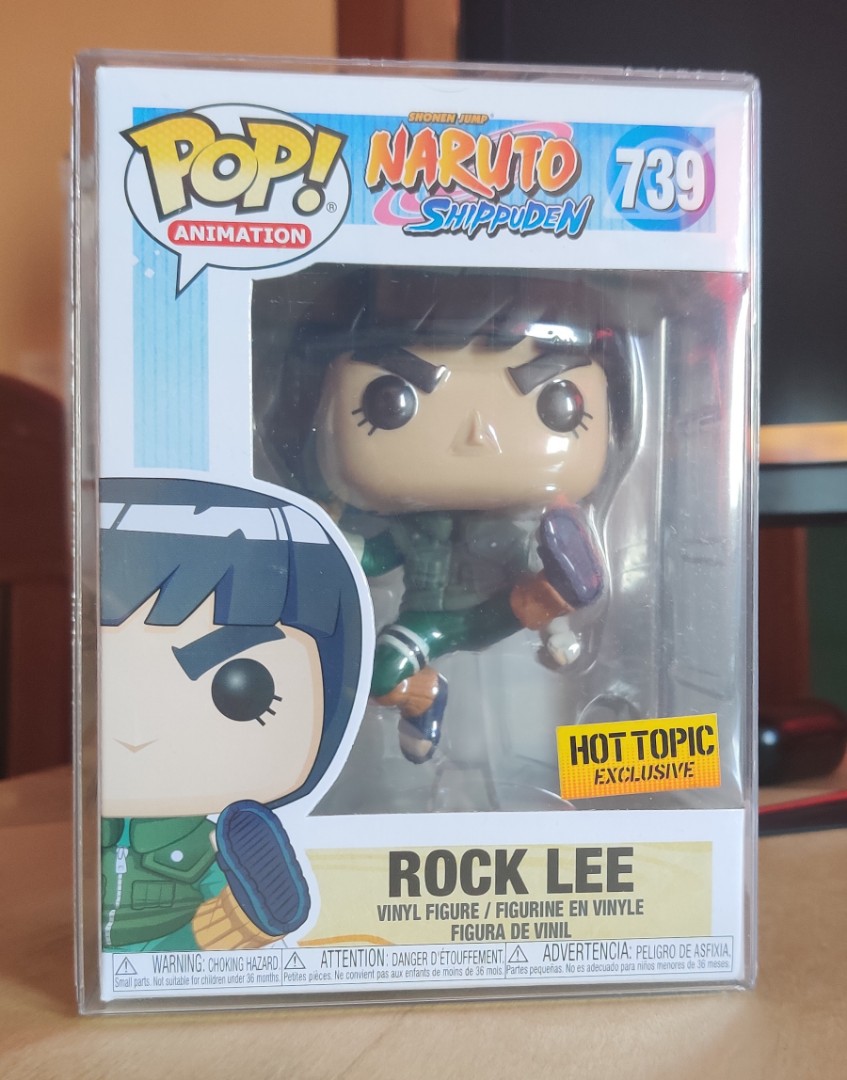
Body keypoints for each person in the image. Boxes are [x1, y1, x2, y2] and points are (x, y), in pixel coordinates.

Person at [263, 268, 636, 764]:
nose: (478, 434)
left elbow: (552, 572)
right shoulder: (413, 525)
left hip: (501, 611)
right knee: (377, 677)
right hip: (429, 622)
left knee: (543, 591)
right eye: (390, 402)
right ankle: (424, 697)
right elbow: (374, 556)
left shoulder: (516, 528)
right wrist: (330, 542)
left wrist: (559, 633)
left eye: (558, 403)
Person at [99, 477, 365, 951]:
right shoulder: (73, 826)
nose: (139, 735)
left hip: (177, 949)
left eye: (242, 693)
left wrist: (232, 926)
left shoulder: (208, 844)